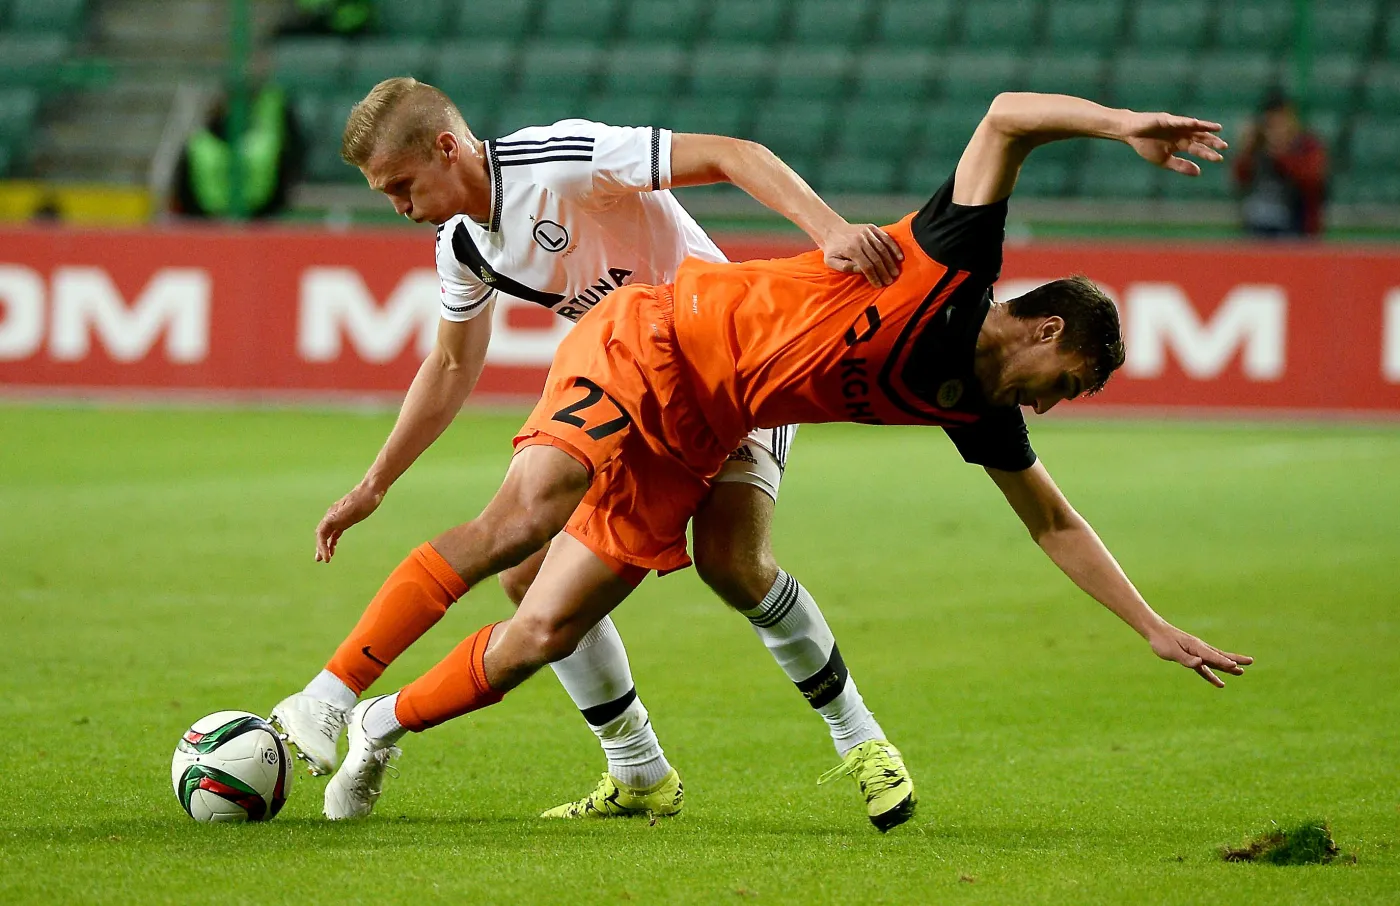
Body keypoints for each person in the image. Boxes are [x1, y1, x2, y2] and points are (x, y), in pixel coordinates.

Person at [319, 91, 1253, 824]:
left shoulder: (974, 407)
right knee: (520, 542)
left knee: (563, 617)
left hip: (716, 418)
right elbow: (1006, 117)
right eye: (1069, 380)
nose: (1054, 403)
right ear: (1045, 326)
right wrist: (1122, 125)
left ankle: (378, 723)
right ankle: (325, 703)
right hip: (656, 335)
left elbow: (1054, 521)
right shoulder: (949, 263)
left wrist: (1150, 626)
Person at [273, 78, 918, 829]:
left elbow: (734, 154)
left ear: (448, 148)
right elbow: (452, 365)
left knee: (733, 563)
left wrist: (829, 229)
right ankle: (636, 766)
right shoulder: (461, 245)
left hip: (734, 367)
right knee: (527, 576)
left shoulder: (563, 161)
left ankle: (862, 739)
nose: (398, 206)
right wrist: (376, 482)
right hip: (634, 392)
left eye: (401, 185)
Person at [1232, 92, 1328, 238]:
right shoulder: (1258, 146)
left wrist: (1281, 155)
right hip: (1257, 224)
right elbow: (1240, 179)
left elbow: (1313, 180)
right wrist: (1246, 150)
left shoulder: (1307, 145)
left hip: (1297, 226)